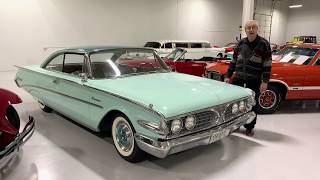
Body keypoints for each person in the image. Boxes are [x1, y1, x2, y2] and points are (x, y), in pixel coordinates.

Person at [224, 20, 272, 136]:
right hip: (238, 78)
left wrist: (265, 81)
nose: (251, 30)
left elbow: (267, 64)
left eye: (253, 27)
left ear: (257, 29)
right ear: (245, 30)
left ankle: (249, 126)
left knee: (252, 104)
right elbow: (234, 61)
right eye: (248, 28)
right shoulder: (240, 43)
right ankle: (235, 125)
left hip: (254, 79)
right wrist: (228, 76)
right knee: (235, 104)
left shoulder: (263, 44)